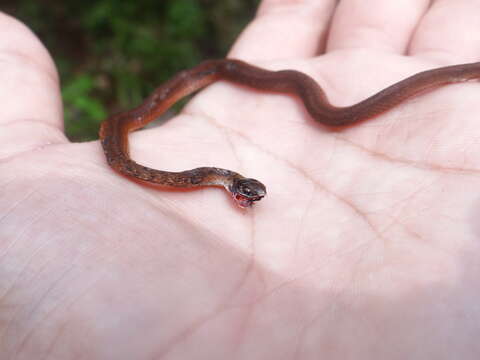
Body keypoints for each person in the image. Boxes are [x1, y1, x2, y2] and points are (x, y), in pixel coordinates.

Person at [1, 1, 479, 358]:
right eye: (246, 191)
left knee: (318, 100)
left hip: (238, 94)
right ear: (235, 185)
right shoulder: (194, 170)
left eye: (250, 193)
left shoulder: (216, 175)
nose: (248, 197)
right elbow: (131, 159)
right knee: (156, 111)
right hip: (192, 102)